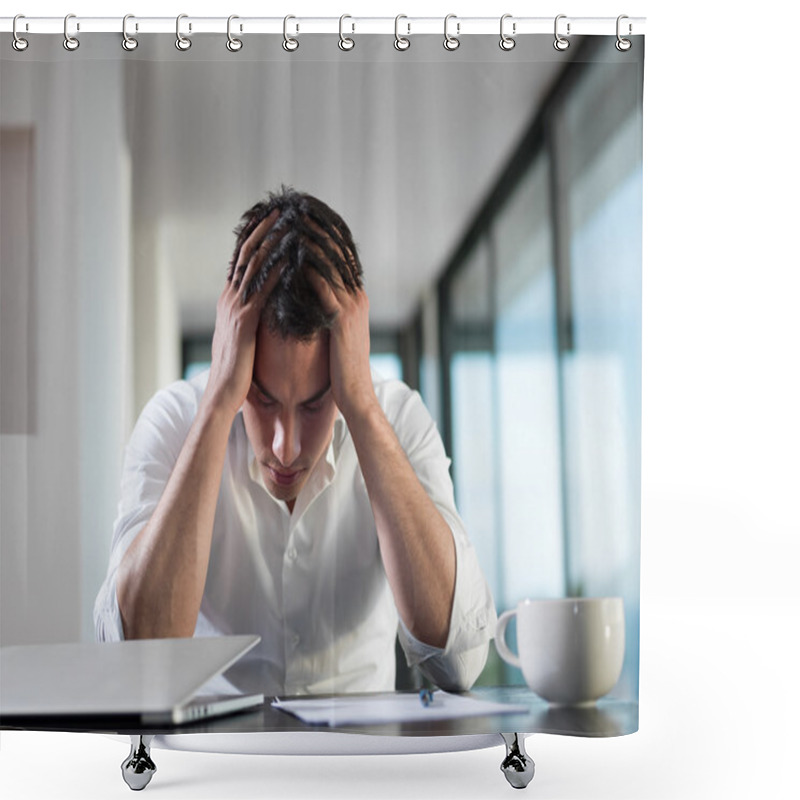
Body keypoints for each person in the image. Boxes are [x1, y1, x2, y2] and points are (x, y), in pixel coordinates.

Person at [94, 188, 496, 696]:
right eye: (261, 399)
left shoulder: (398, 418)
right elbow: (133, 663)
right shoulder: (174, 422)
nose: (285, 449)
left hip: (359, 766)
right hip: (214, 766)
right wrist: (221, 401)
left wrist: (363, 409)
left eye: (313, 404)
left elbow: (459, 662)